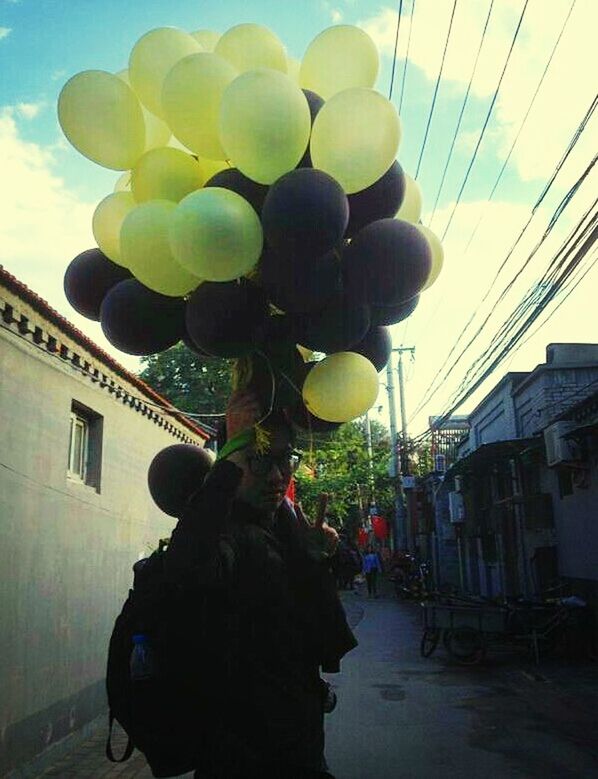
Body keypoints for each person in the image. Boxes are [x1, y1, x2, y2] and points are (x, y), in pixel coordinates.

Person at [164, 389, 357, 778]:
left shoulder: (286, 527)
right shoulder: (224, 532)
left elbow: (323, 635)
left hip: (300, 744)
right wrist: (233, 451)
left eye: (286, 459)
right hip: (240, 756)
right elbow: (185, 569)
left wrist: (317, 556)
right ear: (232, 460)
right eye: (258, 460)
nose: (276, 475)